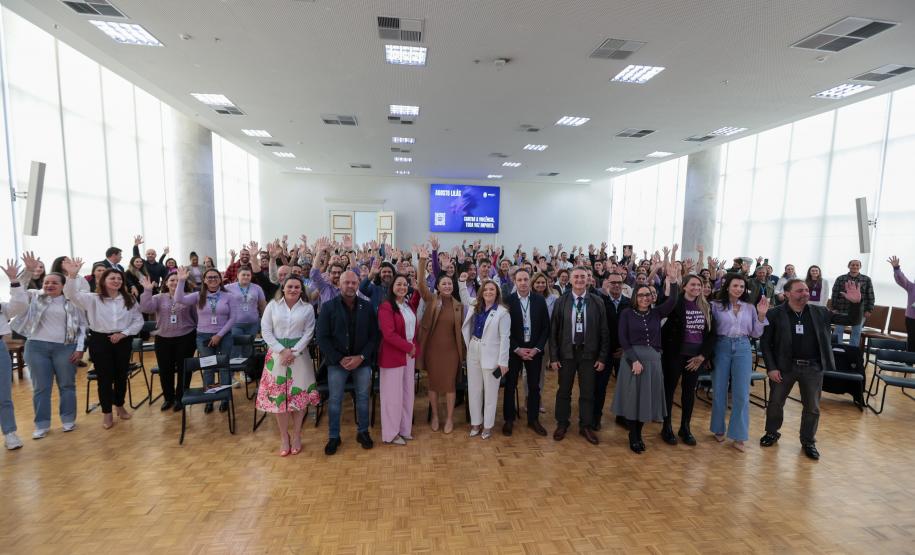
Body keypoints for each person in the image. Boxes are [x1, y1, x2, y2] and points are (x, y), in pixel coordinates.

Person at [759, 278, 862, 460]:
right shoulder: (775, 314)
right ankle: (772, 432)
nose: (805, 293)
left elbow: (852, 320)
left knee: (812, 408)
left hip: (813, 368)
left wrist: (856, 304)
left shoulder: (820, 312)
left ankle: (808, 441)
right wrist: (771, 368)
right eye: (800, 291)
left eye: (806, 290)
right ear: (788, 293)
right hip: (784, 367)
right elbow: (766, 344)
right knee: (775, 403)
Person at [10, 254, 88, 439]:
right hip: (36, 348)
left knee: (67, 385)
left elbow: (83, 327)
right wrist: (28, 271)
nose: (49, 285)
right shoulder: (34, 296)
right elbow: (18, 291)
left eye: (54, 283)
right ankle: (42, 424)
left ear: (62, 286)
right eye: (46, 282)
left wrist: (79, 348)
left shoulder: (73, 301)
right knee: (41, 388)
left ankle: (68, 419)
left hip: (65, 347)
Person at [62, 258, 143, 429]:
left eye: (119, 278)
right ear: (103, 281)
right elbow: (70, 295)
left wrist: (123, 334)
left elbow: (138, 321)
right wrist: (72, 276)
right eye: (112, 278)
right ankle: (107, 412)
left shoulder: (129, 299)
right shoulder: (92, 298)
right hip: (100, 341)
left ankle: (119, 405)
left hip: (123, 340)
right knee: (104, 378)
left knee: (121, 376)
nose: (116, 281)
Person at [612, 262, 680, 453]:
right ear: (635, 297)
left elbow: (673, 301)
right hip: (632, 360)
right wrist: (633, 360)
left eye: (647, 295)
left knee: (646, 400)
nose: (644, 298)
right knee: (633, 399)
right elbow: (623, 339)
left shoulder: (657, 313)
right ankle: (632, 435)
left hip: (653, 362)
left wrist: (673, 281)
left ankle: (639, 434)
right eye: (640, 295)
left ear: (651, 297)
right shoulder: (626, 313)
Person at [315, 270, 377, 455]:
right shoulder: (328, 306)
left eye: (354, 283)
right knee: (335, 400)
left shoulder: (367, 307)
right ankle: (334, 436)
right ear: (339, 284)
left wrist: (362, 357)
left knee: (364, 398)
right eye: (346, 282)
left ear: (358, 284)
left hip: (362, 362)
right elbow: (322, 337)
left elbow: (374, 336)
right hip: (337, 363)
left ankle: (363, 432)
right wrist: (339, 358)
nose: (350, 286)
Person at [256, 276, 319, 456]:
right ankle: (284, 437)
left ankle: (297, 435)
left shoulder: (307, 308)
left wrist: (294, 351)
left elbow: (309, 333)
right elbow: (266, 330)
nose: (293, 289)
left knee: (298, 398)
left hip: (299, 356)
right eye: (290, 286)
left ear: (301, 290)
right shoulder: (272, 306)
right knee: (280, 399)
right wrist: (282, 350)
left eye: (297, 287)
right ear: (283, 288)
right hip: (277, 356)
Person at [549, 267, 610, 445]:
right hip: (567, 352)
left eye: (583, 277)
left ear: (589, 280)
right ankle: (562, 423)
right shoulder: (561, 301)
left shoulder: (597, 302)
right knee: (563, 391)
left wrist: (602, 357)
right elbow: (553, 332)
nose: (579, 280)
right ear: (570, 279)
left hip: (589, 354)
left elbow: (604, 332)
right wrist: (553, 357)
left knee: (588, 392)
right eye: (576, 276)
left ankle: (586, 426)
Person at [709, 273, 769, 451]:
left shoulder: (750, 307)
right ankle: (718, 428)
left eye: (742, 287)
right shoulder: (715, 306)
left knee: (741, 393)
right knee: (719, 389)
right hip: (721, 346)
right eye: (735, 285)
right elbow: (710, 331)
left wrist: (761, 315)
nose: (738, 289)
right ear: (727, 286)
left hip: (743, 347)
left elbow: (757, 333)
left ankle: (739, 435)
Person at [659, 274, 715, 446]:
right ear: (684, 286)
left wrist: (702, 356)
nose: (697, 288)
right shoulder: (676, 303)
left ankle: (685, 427)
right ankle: (666, 427)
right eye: (693, 284)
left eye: (699, 285)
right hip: (675, 354)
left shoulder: (706, 307)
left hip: (696, 357)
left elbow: (712, 335)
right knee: (669, 390)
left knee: (689, 392)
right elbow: (663, 305)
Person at [174, 267, 237, 414]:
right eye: (209, 277)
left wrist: (219, 335)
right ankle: (209, 399)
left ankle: (224, 399)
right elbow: (178, 299)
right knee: (208, 368)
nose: (213, 280)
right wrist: (181, 281)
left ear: (220, 280)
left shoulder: (229, 296)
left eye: (215, 277)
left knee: (223, 368)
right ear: (204, 280)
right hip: (203, 336)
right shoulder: (198, 295)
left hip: (224, 336)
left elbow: (233, 318)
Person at [416, 247, 464, 434]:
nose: (447, 286)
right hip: (432, 351)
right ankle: (435, 415)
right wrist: (422, 260)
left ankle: (450, 418)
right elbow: (420, 283)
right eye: (443, 284)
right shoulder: (431, 300)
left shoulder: (459, 306)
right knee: (434, 384)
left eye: (449, 284)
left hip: (452, 352)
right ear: (437, 286)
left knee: (450, 385)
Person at [459, 277, 510, 439]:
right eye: (486, 289)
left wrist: (503, 361)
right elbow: (465, 298)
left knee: (490, 392)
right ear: (482, 292)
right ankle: (476, 423)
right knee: (474, 389)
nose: (488, 292)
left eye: (492, 290)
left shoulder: (503, 312)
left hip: (492, 355)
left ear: (497, 293)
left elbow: (505, 338)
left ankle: (487, 425)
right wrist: (461, 282)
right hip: (474, 348)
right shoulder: (476, 305)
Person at [138, 272, 197, 411]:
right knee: (165, 370)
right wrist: (147, 290)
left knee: (184, 369)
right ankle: (168, 398)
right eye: (172, 280)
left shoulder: (189, 297)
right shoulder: (158, 297)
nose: (175, 283)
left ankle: (181, 397)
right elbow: (146, 308)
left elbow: (196, 316)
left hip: (186, 337)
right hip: (163, 339)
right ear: (166, 283)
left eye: (178, 280)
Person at [504, 268, 551, 436]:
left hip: (534, 351)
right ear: (515, 282)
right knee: (510, 386)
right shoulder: (507, 301)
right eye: (519, 280)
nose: (523, 283)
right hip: (514, 350)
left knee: (534, 386)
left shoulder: (539, 300)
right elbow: (504, 330)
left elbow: (546, 327)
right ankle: (509, 419)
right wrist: (516, 348)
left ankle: (533, 420)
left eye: (525, 279)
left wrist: (537, 348)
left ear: (529, 280)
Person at [377, 274, 420, 445]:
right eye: (398, 284)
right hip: (393, 355)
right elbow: (388, 334)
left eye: (405, 284)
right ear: (392, 287)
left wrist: (417, 288)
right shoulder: (386, 307)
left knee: (407, 394)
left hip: (409, 355)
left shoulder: (408, 305)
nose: (402, 287)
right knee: (392, 397)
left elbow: (417, 299)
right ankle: (391, 433)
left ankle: (404, 429)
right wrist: (409, 347)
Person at [597, 272, 629, 430]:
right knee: (600, 386)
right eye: (613, 282)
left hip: (624, 352)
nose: (616, 285)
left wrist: (625, 348)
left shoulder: (630, 303)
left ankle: (622, 417)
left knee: (624, 386)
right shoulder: (599, 301)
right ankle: (596, 417)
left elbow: (634, 329)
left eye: (619, 282)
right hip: (604, 352)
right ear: (607, 283)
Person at [2, 260, 26, 449]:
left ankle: (9, 433)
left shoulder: (1, 307)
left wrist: (14, 280)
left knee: (4, 394)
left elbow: (19, 305)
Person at [225, 267, 267, 359]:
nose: (246, 277)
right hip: (235, 324)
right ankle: (233, 371)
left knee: (248, 348)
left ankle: (246, 372)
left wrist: (265, 320)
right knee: (235, 348)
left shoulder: (257, 288)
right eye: (243, 275)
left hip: (253, 324)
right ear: (238, 275)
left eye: (248, 275)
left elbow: (262, 305)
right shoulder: (228, 288)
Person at [831, 260, 875, 346]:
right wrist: (834, 308)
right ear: (849, 266)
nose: (855, 266)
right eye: (853, 265)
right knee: (838, 331)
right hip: (842, 310)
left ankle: (852, 353)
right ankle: (837, 350)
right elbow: (835, 294)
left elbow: (870, 295)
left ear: (860, 267)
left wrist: (869, 310)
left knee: (856, 332)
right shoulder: (841, 278)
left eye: (857, 265)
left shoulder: (866, 279)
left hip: (860, 311)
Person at [888, 256, 915, 351]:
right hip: (912, 319)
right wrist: (896, 268)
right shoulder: (912, 287)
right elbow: (901, 279)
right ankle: (909, 363)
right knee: (912, 341)